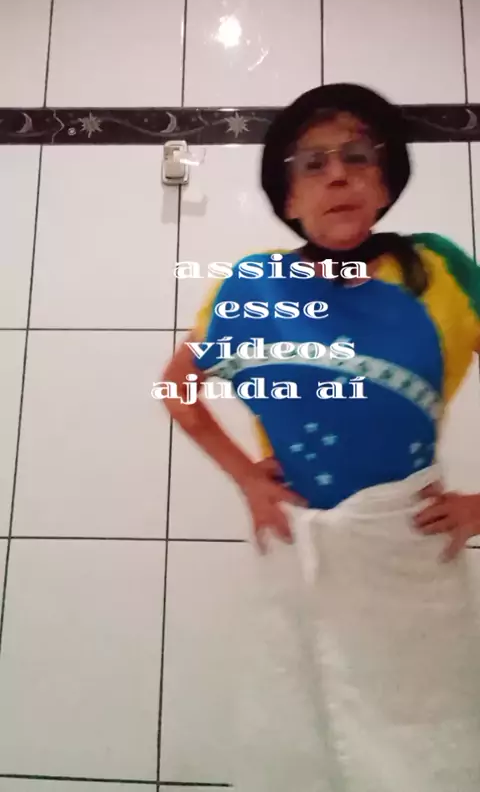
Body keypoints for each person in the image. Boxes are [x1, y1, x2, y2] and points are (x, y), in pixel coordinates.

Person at [159, 83, 480, 792]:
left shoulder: (442, 273)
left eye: (358, 156)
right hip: (298, 548)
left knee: (426, 753)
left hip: (409, 553)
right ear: (289, 197)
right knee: (298, 746)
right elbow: (177, 387)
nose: (338, 175)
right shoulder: (253, 287)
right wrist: (248, 479)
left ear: (385, 183)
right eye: (313, 163)